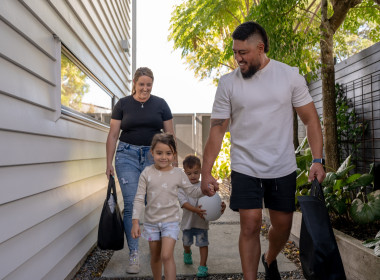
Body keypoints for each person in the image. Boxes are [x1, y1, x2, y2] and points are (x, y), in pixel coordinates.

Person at [200, 21, 326, 280]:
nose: (237, 58)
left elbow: (311, 120)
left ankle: (269, 260)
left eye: (242, 53)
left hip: (282, 166)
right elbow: (217, 129)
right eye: (234, 52)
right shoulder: (228, 84)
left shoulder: (289, 75)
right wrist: (205, 170)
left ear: (260, 48)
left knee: (282, 225)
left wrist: (317, 160)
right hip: (244, 165)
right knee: (250, 223)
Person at [105, 67, 176, 274]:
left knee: (152, 202)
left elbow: (170, 134)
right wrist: (108, 162)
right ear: (134, 83)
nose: (145, 88)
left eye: (148, 84)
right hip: (126, 155)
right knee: (131, 203)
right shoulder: (123, 104)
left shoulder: (161, 104)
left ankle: (157, 250)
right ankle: (134, 254)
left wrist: (173, 163)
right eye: (141, 84)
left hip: (153, 158)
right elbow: (112, 135)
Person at [131, 133, 203, 280]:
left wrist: (207, 189)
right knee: (156, 256)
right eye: (159, 153)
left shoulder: (178, 173)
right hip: (151, 223)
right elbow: (139, 198)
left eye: (168, 153)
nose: (164, 157)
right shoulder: (147, 173)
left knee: (166, 255)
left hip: (171, 222)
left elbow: (193, 191)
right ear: (152, 153)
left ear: (174, 155)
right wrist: (135, 221)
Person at [178, 154, 226, 278]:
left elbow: (213, 203)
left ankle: (203, 266)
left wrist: (221, 208)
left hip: (201, 224)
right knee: (186, 243)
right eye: (189, 173)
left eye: (196, 172)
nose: (192, 176)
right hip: (188, 223)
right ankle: (187, 252)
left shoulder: (204, 187)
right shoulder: (183, 187)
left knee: (203, 244)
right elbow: (183, 203)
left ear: (200, 172)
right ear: (184, 173)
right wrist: (196, 210)